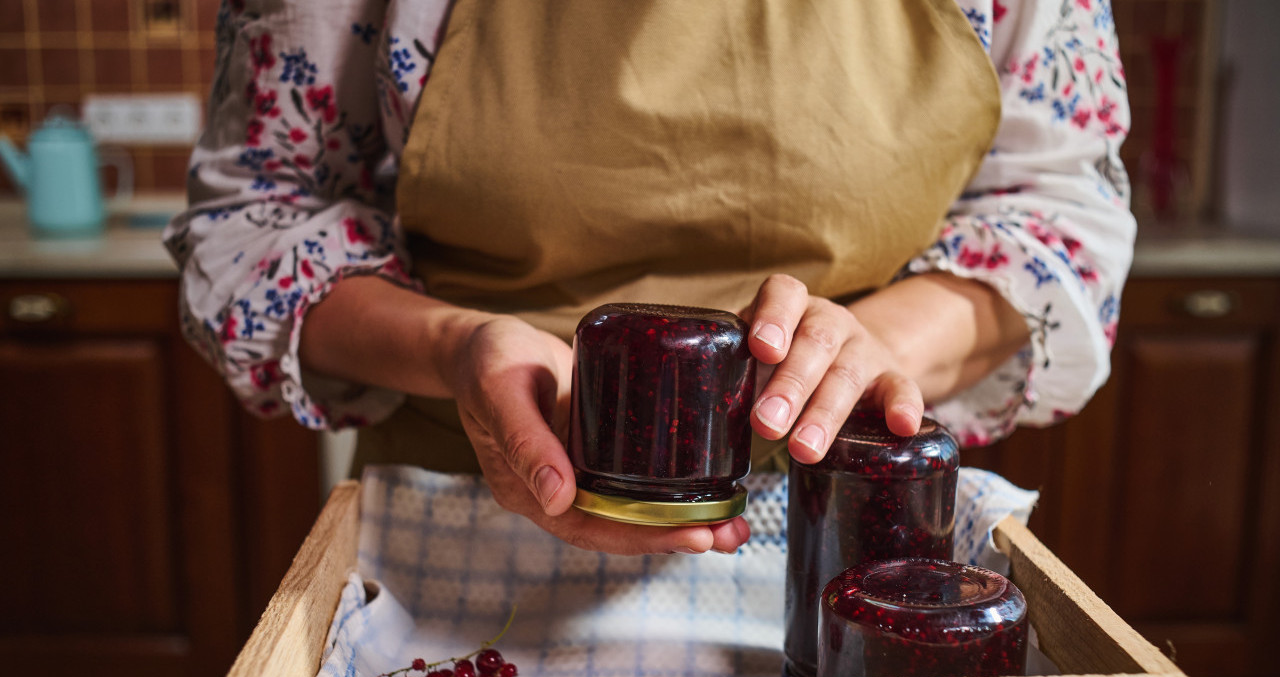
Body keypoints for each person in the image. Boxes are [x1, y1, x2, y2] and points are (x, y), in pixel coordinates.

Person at [165, 0, 1134, 558]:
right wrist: (456, 347)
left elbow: (1054, 218)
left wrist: (880, 344)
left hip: (851, 516)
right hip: (475, 505)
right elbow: (256, 224)